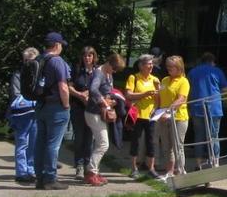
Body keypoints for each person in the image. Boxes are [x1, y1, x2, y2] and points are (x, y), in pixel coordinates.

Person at [33, 32, 72, 190]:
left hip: (41, 105)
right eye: (61, 44)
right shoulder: (57, 61)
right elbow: (63, 86)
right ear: (56, 45)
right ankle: (50, 178)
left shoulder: (39, 59)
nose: (61, 47)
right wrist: (67, 105)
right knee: (53, 145)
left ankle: (40, 178)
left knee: (40, 142)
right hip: (56, 107)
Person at [83, 53, 126, 186]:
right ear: (109, 63)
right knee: (103, 144)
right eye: (114, 69)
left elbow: (107, 91)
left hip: (100, 114)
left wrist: (112, 100)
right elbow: (93, 89)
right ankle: (91, 173)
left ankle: (94, 171)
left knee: (99, 143)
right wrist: (103, 101)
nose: (114, 72)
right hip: (93, 113)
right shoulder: (99, 73)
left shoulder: (108, 74)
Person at [188, 52, 227, 168]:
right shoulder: (216, 71)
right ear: (212, 61)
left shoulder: (193, 72)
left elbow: (188, 89)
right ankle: (215, 162)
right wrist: (216, 95)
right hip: (214, 107)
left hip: (196, 107)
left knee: (199, 136)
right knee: (214, 135)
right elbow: (225, 88)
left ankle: (198, 164)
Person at [125, 53, 161, 179]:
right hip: (137, 115)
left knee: (151, 142)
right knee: (136, 141)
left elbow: (158, 98)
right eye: (148, 64)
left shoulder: (155, 80)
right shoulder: (133, 78)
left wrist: (155, 109)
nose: (151, 66)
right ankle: (134, 168)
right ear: (141, 66)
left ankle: (151, 168)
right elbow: (128, 95)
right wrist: (144, 94)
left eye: (152, 63)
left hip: (151, 116)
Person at [6, 47, 39, 184]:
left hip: (35, 113)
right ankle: (21, 172)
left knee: (33, 143)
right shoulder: (18, 75)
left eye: (31, 60)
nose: (28, 63)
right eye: (26, 60)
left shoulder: (38, 75)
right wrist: (34, 101)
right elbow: (17, 96)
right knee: (22, 143)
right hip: (22, 114)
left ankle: (30, 170)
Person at [156, 55, 190, 178]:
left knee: (177, 146)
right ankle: (169, 172)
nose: (168, 68)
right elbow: (159, 97)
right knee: (166, 146)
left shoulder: (183, 81)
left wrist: (168, 112)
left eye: (171, 66)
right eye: (167, 66)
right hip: (163, 118)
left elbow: (181, 99)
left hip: (178, 118)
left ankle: (181, 171)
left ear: (179, 67)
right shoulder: (164, 80)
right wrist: (156, 111)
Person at [68, 46, 97, 179]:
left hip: (92, 109)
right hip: (78, 108)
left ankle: (87, 165)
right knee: (79, 137)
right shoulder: (76, 70)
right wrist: (80, 95)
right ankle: (79, 166)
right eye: (85, 56)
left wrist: (90, 94)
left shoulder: (97, 71)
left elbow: (103, 87)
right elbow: (69, 86)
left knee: (89, 138)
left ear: (93, 57)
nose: (87, 58)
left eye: (90, 56)